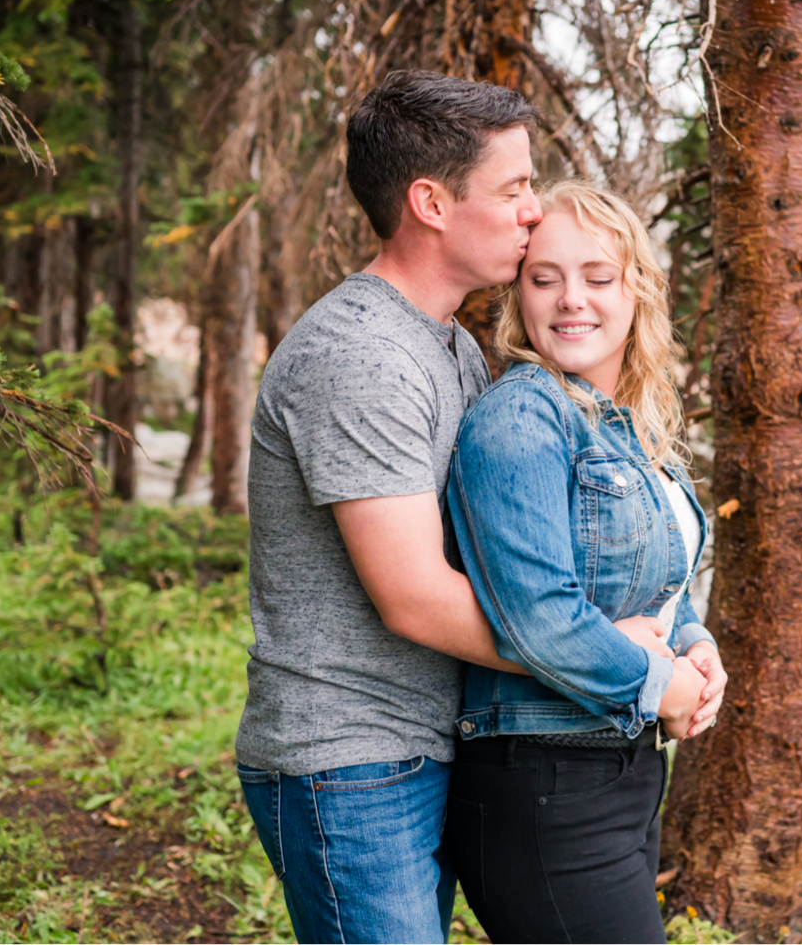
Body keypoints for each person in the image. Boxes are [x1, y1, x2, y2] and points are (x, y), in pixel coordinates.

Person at [233, 73, 663, 944]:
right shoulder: (360, 355)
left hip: (424, 744)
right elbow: (416, 596)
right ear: (430, 202)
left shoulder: (451, 350)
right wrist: (618, 659)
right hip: (349, 757)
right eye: (513, 189)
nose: (532, 213)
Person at [445, 180, 728, 944]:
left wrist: (696, 646)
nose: (572, 300)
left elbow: (655, 583)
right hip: (544, 778)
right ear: (519, 295)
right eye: (546, 279)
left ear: (637, 291)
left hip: (620, 771)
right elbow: (539, 616)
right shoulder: (522, 417)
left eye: (598, 277)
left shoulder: (625, 425)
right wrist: (663, 685)